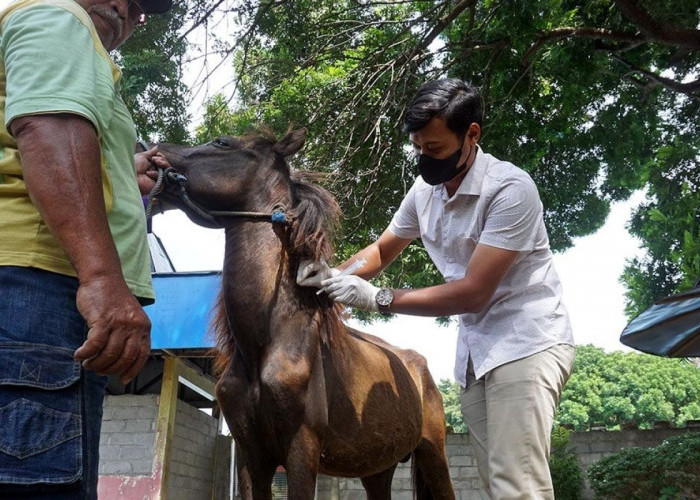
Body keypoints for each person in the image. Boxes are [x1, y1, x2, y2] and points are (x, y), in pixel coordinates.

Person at [297, 78, 575, 499]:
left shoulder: (510, 190)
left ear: (472, 134)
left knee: (518, 486)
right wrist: (338, 274)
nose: (424, 158)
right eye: (418, 148)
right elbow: (381, 250)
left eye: (435, 148)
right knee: (497, 482)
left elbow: (474, 292)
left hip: (527, 344)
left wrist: (379, 298)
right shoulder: (424, 192)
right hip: (476, 353)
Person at [0, 0, 172, 498]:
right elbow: (48, 128)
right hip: (37, 290)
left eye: (143, 9)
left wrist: (124, 168)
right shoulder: (59, 16)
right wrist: (102, 279)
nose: (129, 10)